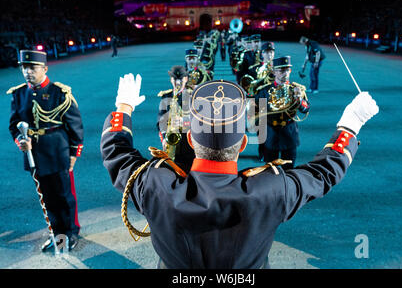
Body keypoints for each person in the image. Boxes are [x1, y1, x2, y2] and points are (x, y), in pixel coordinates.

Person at [101, 73, 378, 269]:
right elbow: (323, 173)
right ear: (244, 142)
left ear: (190, 140)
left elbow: (116, 152)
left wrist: (123, 107)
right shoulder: (270, 190)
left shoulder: (155, 184)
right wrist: (350, 124)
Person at [8, 50, 84, 251]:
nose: (27, 72)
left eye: (32, 67)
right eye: (24, 67)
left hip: (58, 151)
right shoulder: (19, 94)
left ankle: (71, 232)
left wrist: (74, 154)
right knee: (46, 196)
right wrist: (21, 141)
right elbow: (14, 124)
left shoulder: (60, 93)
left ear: (45, 69)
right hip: (34, 154)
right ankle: (57, 233)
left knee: (64, 196)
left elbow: (75, 126)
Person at [253, 56, 310, 166]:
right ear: (274, 72)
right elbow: (255, 109)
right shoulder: (265, 90)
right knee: (269, 169)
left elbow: (306, 109)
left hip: (289, 132)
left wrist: (299, 99)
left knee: (289, 169)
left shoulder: (296, 89)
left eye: (287, 70)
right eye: (282, 71)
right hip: (271, 133)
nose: (285, 74)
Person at [156, 66, 195, 173]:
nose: (178, 82)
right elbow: (161, 120)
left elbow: (201, 119)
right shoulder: (166, 96)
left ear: (186, 79)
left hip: (191, 141)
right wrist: (164, 137)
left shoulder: (193, 95)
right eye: (175, 79)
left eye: (181, 79)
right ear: (171, 80)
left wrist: (185, 121)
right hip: (172, 141)